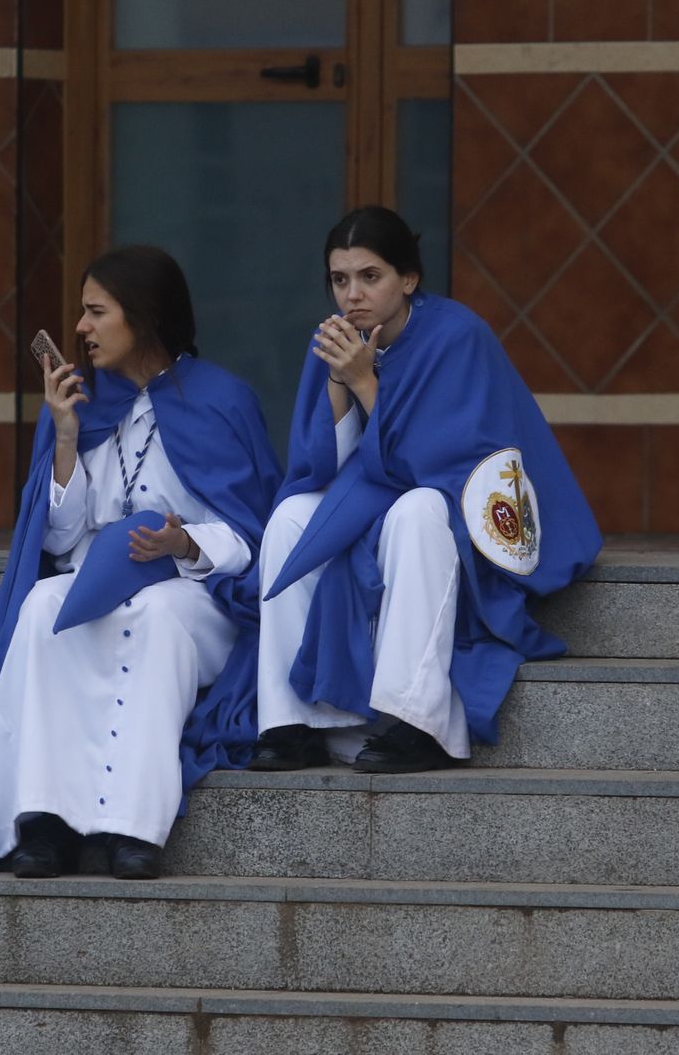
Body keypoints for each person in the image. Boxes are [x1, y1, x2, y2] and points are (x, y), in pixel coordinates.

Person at [0, 245, 281, 879]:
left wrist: (184, 544)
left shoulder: (222, 399)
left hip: (197, 594)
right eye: (82, 313)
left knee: (156, 614)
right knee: (44, 603)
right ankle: (41, 821)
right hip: (99, 581)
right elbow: (58, 537)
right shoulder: (84, 403)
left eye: (95, 312)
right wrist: (68, 434)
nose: (80, 329)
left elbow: (252, 535)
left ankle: (133, 827)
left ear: (145, 316)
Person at [250, 206, 601, 774]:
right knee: (292, 515)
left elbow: (445, 469)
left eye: (370, 277)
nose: (352, 296)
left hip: (454, 519)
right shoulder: (338, 341)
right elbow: (319, 467)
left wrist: (366, 383)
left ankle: (417, 719)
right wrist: (339, 383)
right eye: (340, 280)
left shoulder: (457, 335)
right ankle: (292, 722)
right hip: (371, 501)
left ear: (407, 279)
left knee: (417, 509)